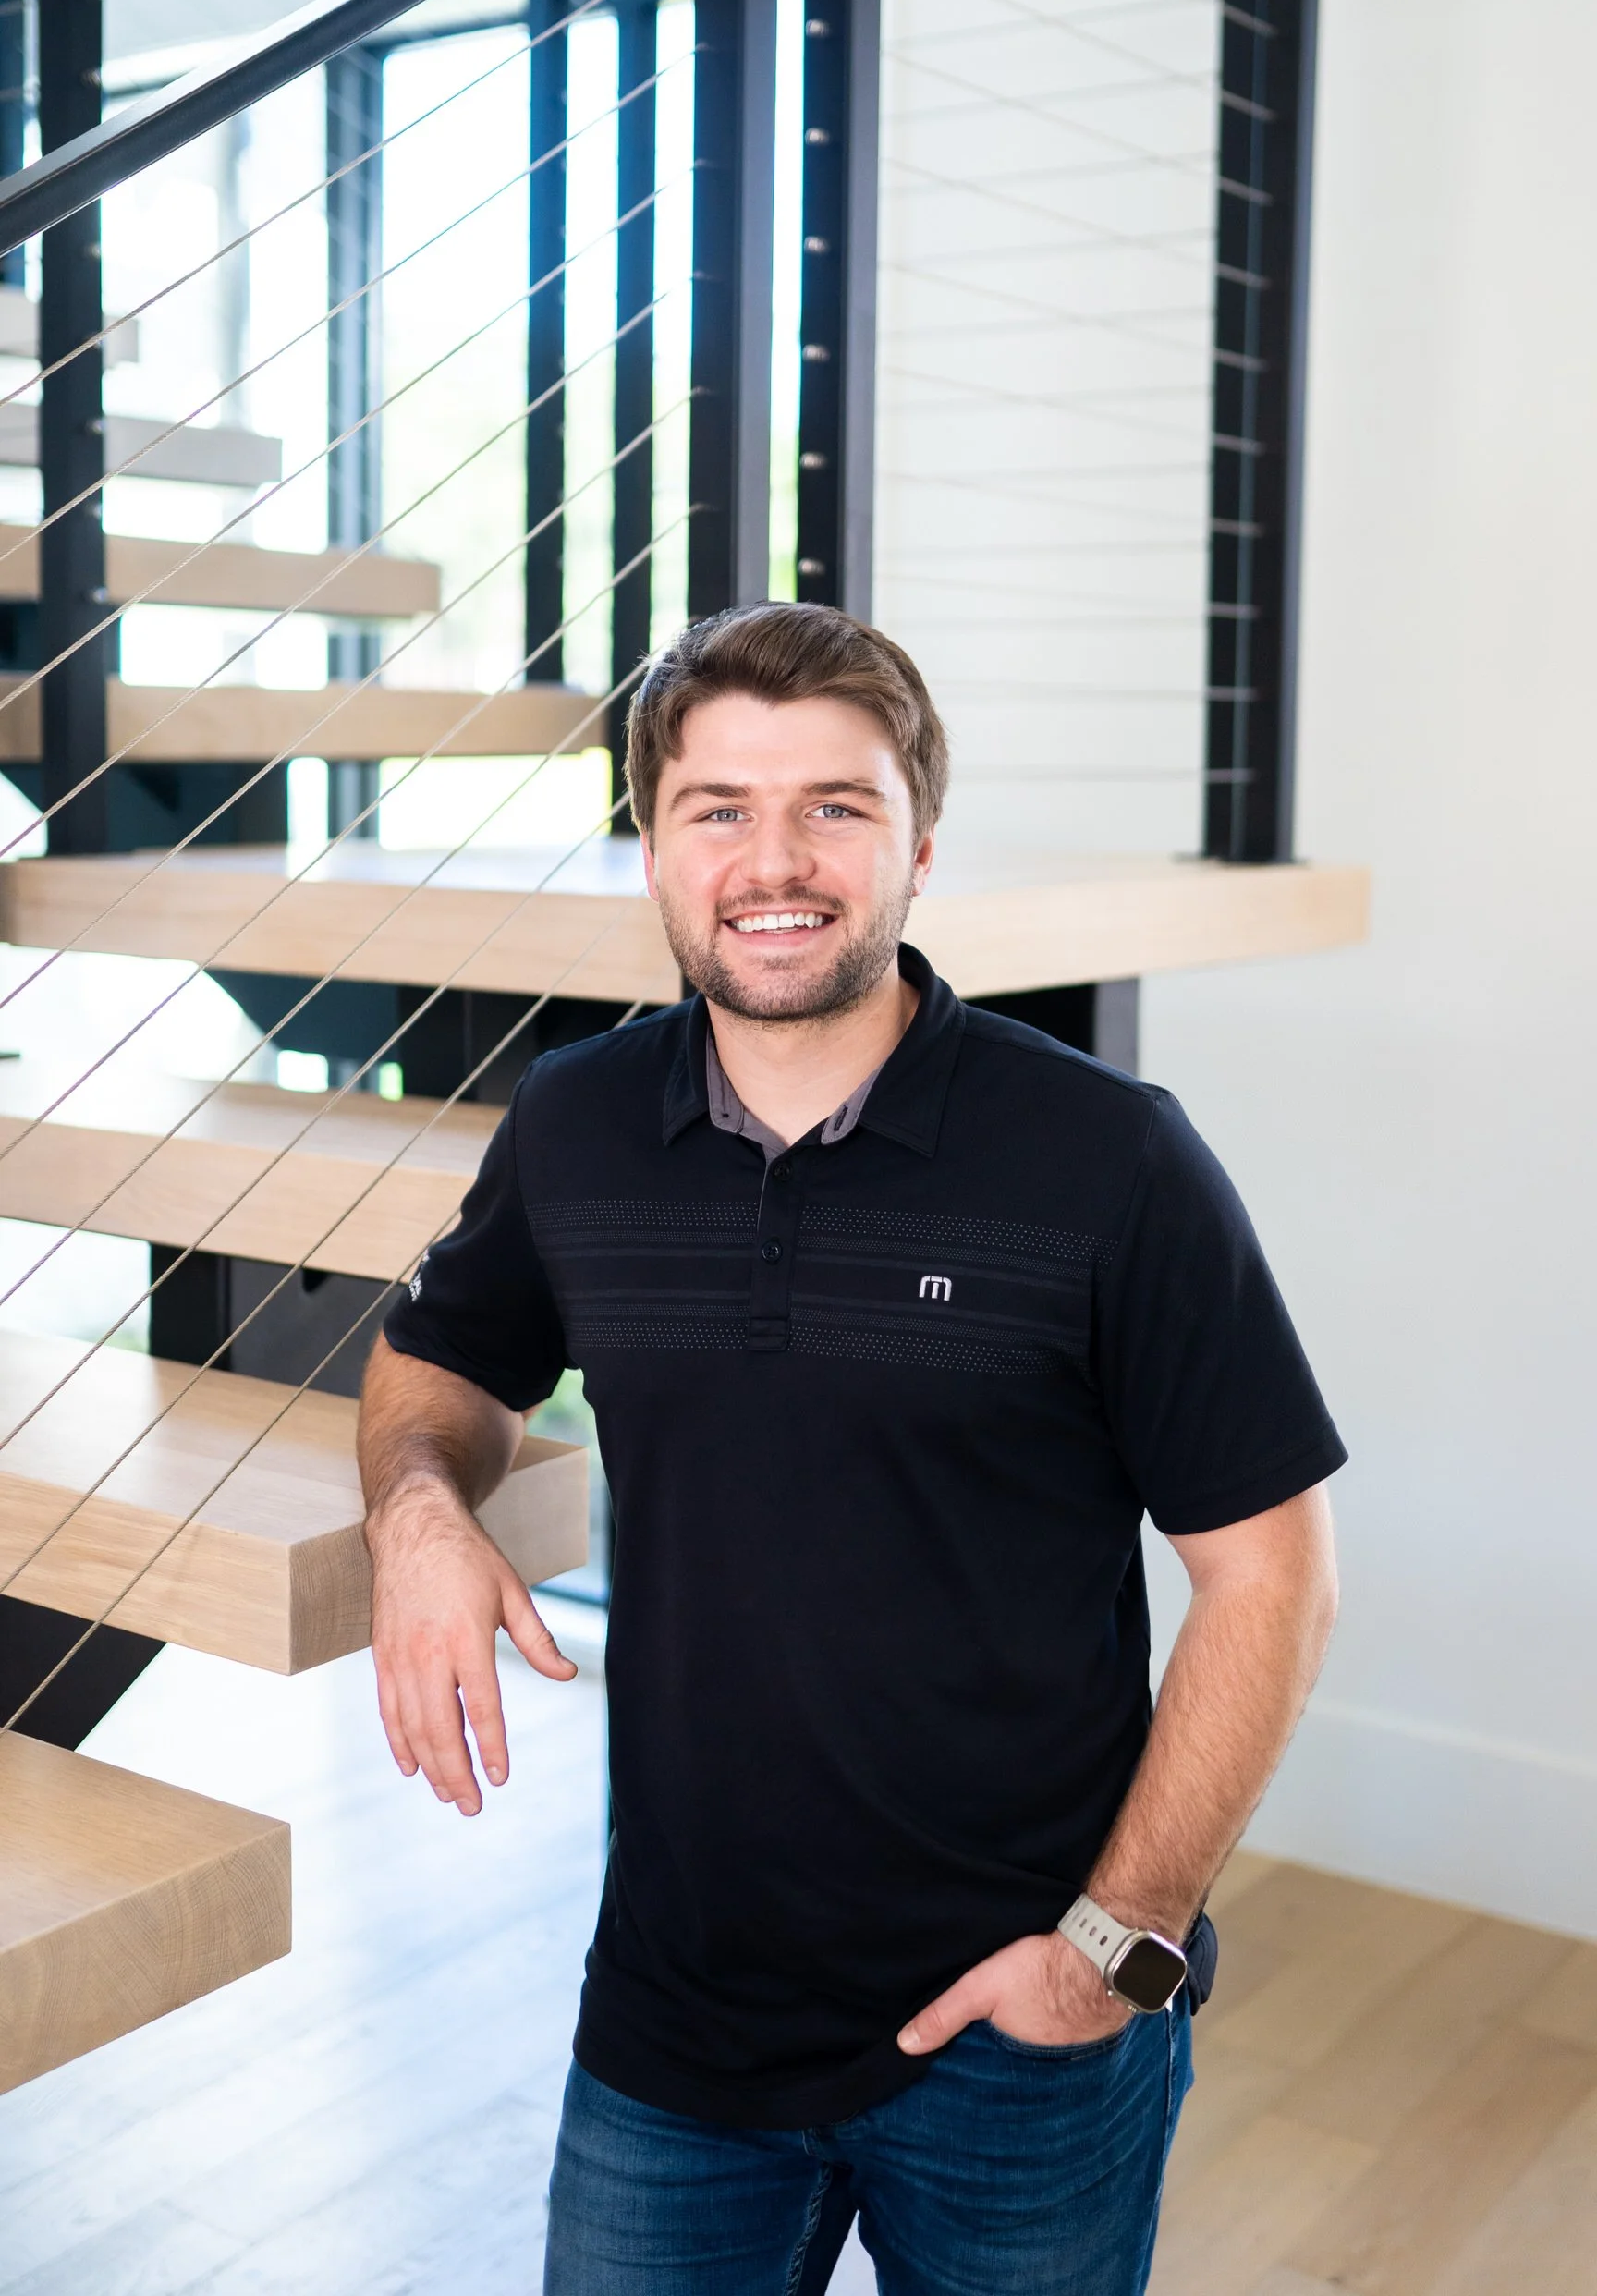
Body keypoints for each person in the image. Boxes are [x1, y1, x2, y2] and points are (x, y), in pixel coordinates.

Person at [358, 602, 1344, 2296]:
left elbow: (1274, 1578)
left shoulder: (1109, 1161)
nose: (774, 858)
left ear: (920, 845)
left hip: (1021, 2037)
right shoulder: (577, 1123)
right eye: (717, 808)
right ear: (654, 851)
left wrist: (1114, 1948)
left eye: (837, 804)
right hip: (673, 2031)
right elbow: (435, 1364)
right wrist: (422, 1513)